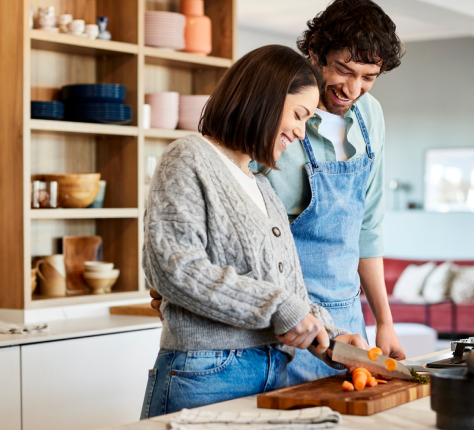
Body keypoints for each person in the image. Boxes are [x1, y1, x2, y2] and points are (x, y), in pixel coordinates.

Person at [151, 0, 406, 386]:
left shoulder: (370, 117)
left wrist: (382, 322)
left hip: (326, 323)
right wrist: (170, 287)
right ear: (315, 51)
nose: (354, 89)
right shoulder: (211, 154)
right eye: (343, 70)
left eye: (369, 77)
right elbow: (204, 243)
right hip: (274, 326)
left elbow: (368, 228)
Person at [140, 45, 366, 419]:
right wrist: (280, 308)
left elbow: (287, 290)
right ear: (264, 98)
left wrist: (330, 335)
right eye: (298, 115)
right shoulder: (188, 157)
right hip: (207, 372)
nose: (299, 131)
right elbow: (173, 268)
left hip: (273, 370)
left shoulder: (262, 186)